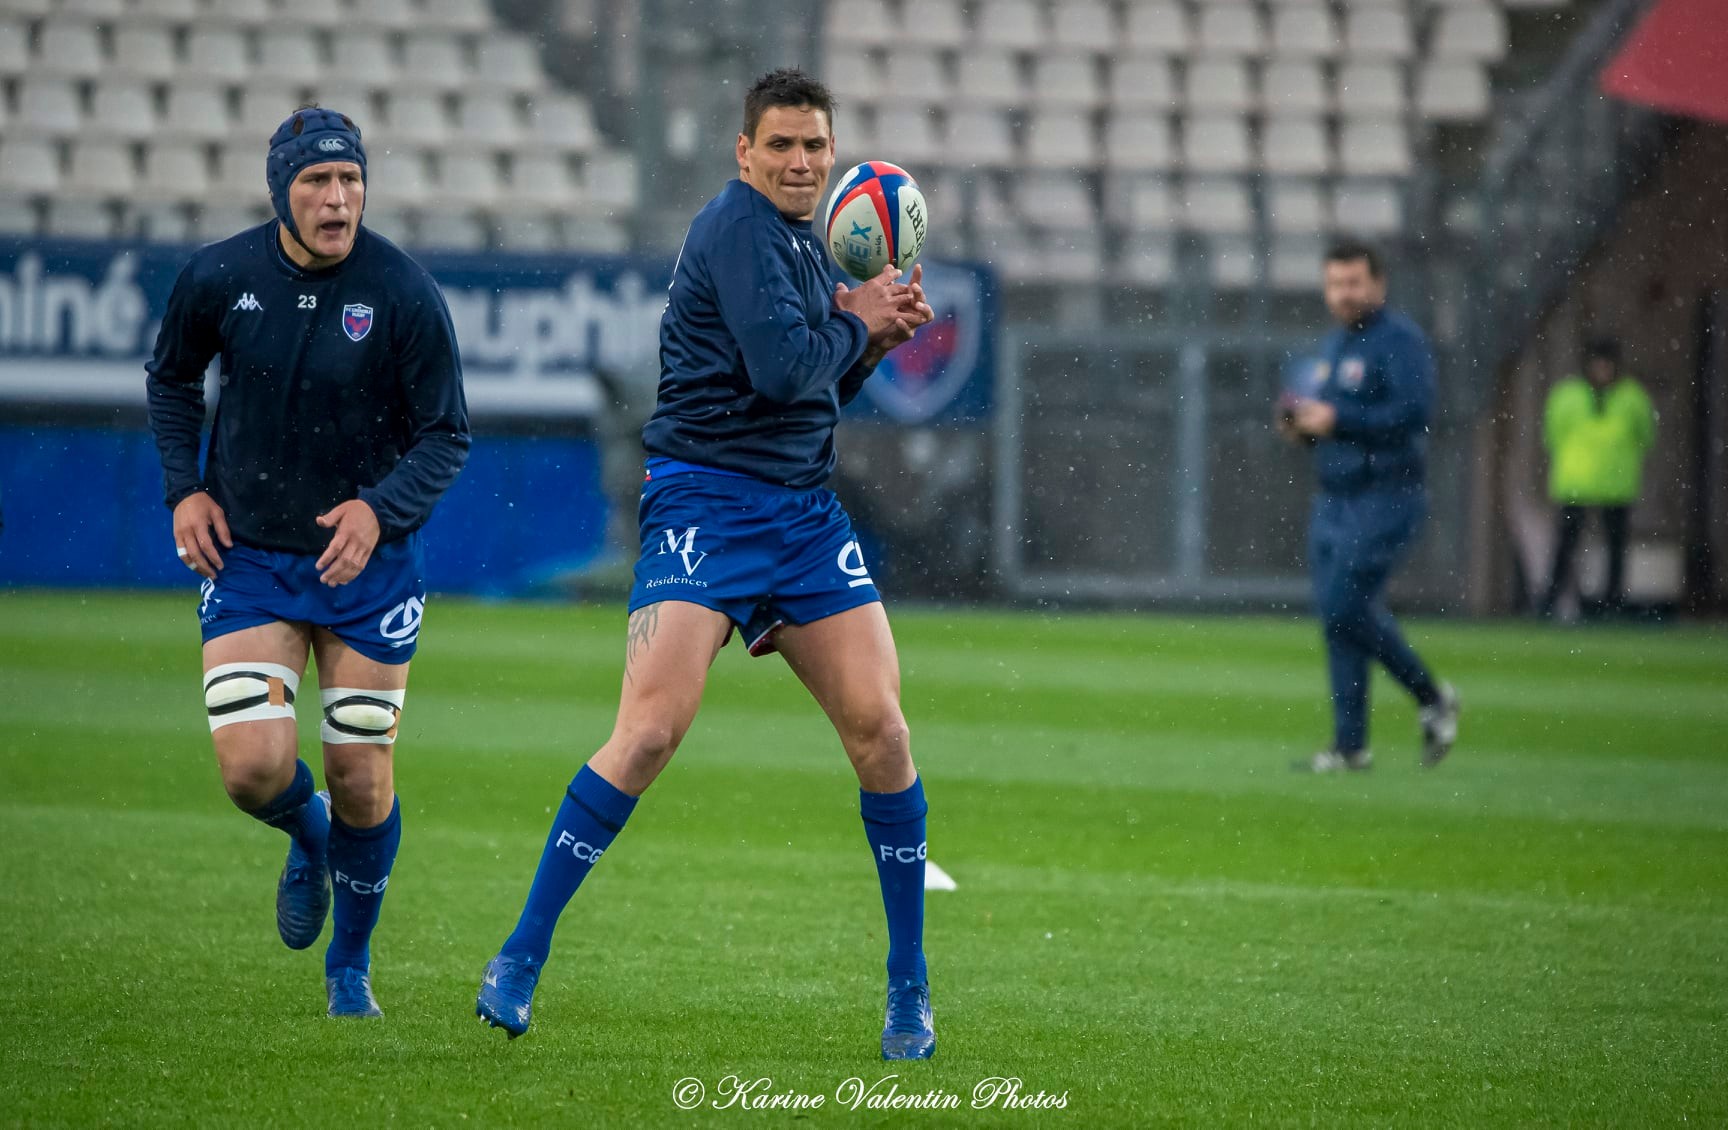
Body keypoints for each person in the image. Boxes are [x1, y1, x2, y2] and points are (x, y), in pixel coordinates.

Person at [474, 68, 939, 1060]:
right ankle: (521, 951)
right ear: (744, 152)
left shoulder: (805, 251)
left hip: (804, 516)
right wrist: (857, 318)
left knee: (884, 733)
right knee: (646, 734)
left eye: (815, 145)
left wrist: (866, 338)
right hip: (705, 506)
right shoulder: (733, 230)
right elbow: (778, 366)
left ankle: (909, 987)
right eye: (781, 145)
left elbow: (807, 393)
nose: (802, 161)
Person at [145, 106, 470, 1019]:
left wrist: (380, 508)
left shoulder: (404, 294)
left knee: (364, 775)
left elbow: (448, 435)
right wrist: (185, 489)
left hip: (366, 566)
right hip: (249, 554)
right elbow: (170, 379)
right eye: (317, 184)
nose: (337, 200)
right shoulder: (218, 275)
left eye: (351, 181)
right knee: (252, 768)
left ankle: (350, 969)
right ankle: (308, 834)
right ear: (280, 192)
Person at [1277, 239, 1459, 773]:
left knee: (1344, 607)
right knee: (1338, 619)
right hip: (1334, 497)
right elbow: (1330, 417)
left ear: (1378, 284)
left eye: (1354, 282)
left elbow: (1414, 414)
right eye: (1335, 283)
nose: (1344, 294)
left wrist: (1338, 422)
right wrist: (1304, 429)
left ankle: (1431, 696)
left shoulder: (1399, 342)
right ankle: (1351, 746)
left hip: (1386, 495)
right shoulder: (1333, 346)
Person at [1536, 337, 1657, 618]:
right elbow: (1552, 433)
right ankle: (1551, 601)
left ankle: (1611, 603)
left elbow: (1646, 435)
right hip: (1576, 482)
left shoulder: (1631, 397)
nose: (1602, 370)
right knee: (1567, 546)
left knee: (1614, 548)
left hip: (1616, 484)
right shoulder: (1569, 395)